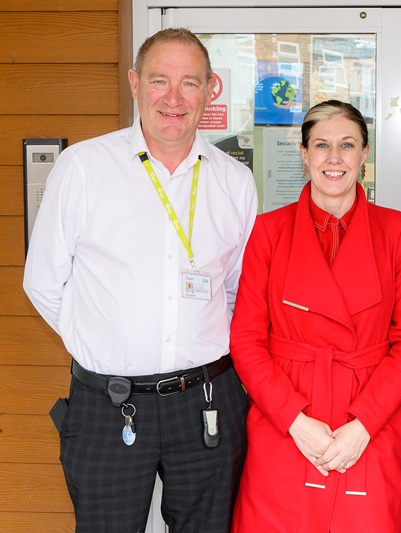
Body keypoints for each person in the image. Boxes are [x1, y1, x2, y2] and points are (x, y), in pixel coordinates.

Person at [22, 28, 257, 532]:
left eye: (190, 83)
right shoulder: (83, 167)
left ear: (211, 89)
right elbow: (43, 281)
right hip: (109, 405)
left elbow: (238, 288)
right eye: (159, 80)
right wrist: (103, 344)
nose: (173, 99)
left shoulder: (233, 180)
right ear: (134, 83)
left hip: (208, 402)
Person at [229, 100, 401, 532]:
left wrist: (363, 426)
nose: (334, 158)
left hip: (369, 422)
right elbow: (246, 340)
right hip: (285, 419)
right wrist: (295, 423)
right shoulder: (269, 231)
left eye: (347, 145)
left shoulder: (397, 232)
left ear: (364, 153)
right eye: (321, 145)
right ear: (304, 154)